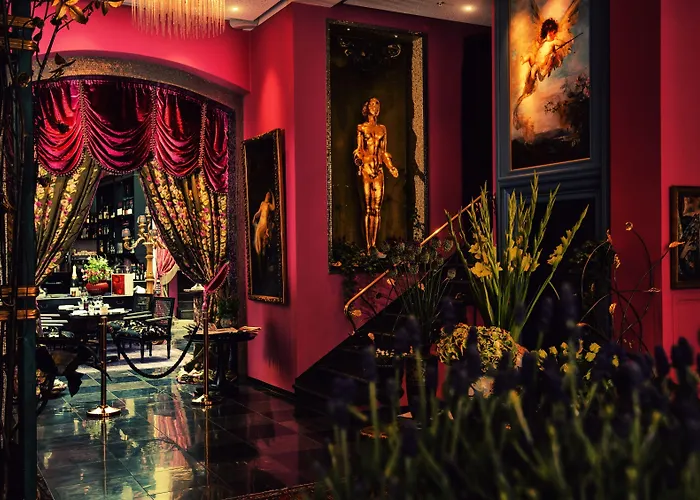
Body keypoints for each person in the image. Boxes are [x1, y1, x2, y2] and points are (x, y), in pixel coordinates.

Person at [353, 97, 399, 254]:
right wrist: (359, 160)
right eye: (372, 104)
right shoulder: (361, 128)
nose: (375, 107)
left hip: (378, 170)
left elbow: (384, 152)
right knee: (367, 208)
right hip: (366, 169)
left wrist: (390, 166)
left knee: (377, 209)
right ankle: (368, 247)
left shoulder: (382, 129)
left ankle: (374, 246)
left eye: (377, 104)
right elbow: (358, 149)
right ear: (367, 107)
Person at [252, 191, 275, 257]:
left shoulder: (269, 205)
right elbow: (259, 212)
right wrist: (254, 216)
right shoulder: (262, 203)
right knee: (257, 235)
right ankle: (258, 251)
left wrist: (273, 196)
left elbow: (273, 208)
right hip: (260, 221)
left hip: (264, 222)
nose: (268, 196)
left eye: (269, 195)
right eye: (267, 194)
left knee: (258, 234)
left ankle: (259, 251)